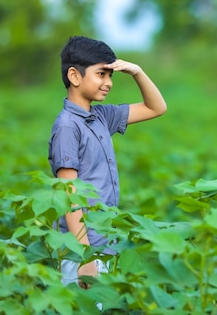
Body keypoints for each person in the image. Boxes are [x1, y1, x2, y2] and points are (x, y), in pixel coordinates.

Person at [48, 35, 167, 289]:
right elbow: (68, 196)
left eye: (110, 75)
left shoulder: (101, 116)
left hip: (105, 243)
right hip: (81, 250)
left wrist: (137, 72)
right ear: (74, 76)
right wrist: (84, 257)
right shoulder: (68, 126)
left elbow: (156, 107)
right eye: (101, 74)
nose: (109, 83)